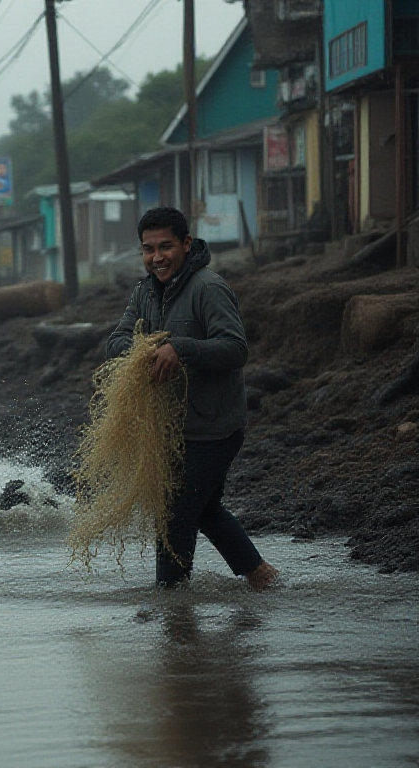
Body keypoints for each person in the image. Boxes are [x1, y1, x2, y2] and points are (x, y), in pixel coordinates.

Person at [106, 207, 278, 590]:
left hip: (214, 428)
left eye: (165, 246)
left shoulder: (208, 287)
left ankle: (172, 606)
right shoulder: (145, 291)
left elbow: (235, 348)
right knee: (205, 510)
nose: (157, 257)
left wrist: (180, 348)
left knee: (174, 518)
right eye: (148, 249)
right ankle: (261, 577)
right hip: (172, 429)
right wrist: (142, 351)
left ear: (186, 244)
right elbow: (116, 340)